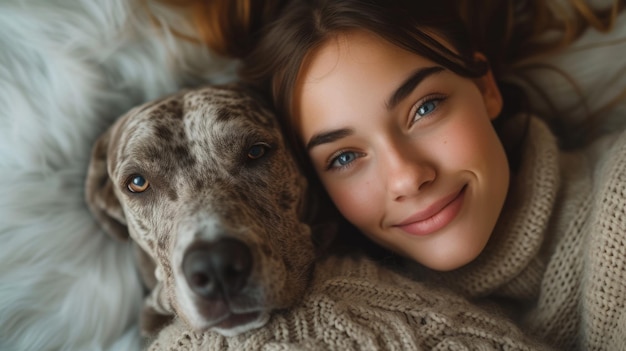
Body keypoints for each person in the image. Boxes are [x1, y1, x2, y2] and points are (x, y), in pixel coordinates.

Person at [154, 0, 626, 349]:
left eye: (424, 108)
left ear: (485, 88)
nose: (406, 178)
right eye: (343, 158)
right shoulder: (314, 283)